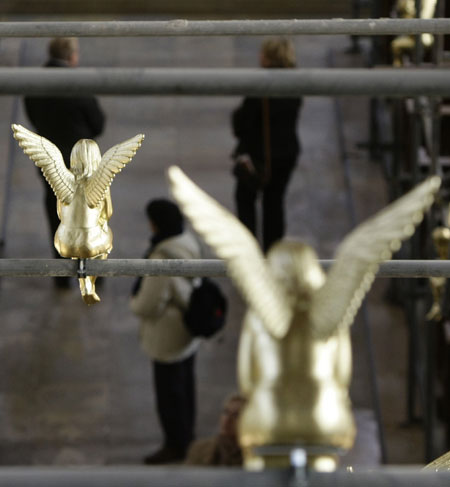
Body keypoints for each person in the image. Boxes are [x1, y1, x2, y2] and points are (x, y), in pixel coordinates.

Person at [24, 37, 105, 288]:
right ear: (71, 56)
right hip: (80, 163)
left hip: (50, 161)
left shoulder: (34, 83)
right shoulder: (77, 84)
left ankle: (62, 272)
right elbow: (98, 123)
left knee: (55, 212)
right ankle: (92, 271)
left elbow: (32, 115)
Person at [130, 199, 201, 464]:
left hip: (167, 338)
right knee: (185, 388)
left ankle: (175, 445)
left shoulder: (161, 257)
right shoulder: (186, 239)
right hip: (187, 334)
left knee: (169, 396)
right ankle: (187, 437)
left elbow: (148, 304)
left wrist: (133, 303)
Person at [231, 37, 302, 253]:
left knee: (245, 199)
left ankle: (249, 250)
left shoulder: (262, 86)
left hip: (259, 154)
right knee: (274, 204)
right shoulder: (296, 83)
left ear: (269, 57)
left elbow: (243, 123)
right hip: (287, 153)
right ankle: (273, 253)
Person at [184, 394, 246, 467]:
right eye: (226, 412)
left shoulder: (251, 456)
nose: (227, 419)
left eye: (236, 415)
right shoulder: (199, 450)